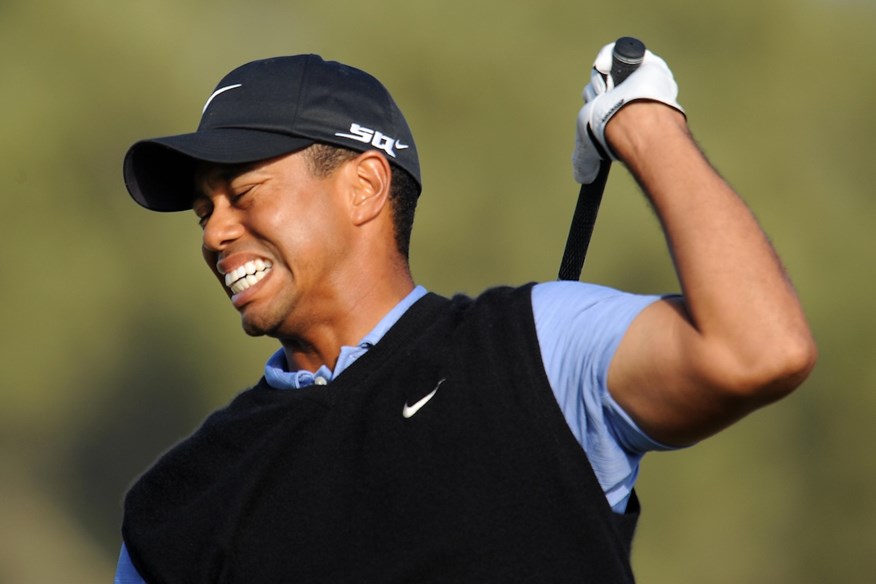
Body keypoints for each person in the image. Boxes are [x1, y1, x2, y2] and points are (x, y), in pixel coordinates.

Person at [115, 44, 816, 583]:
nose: (214, 233)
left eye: (245, 193)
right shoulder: (180, 499)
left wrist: (644, 125)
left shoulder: (533, 347)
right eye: (206, 211)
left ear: (363, 186)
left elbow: (761, 350)